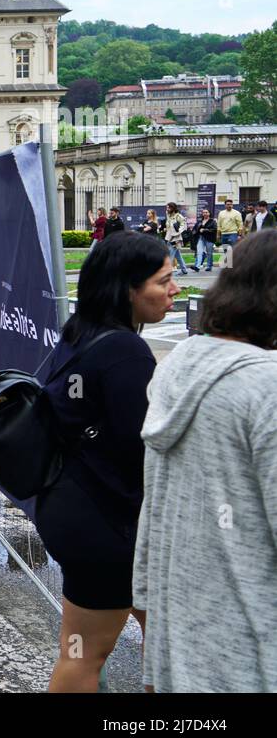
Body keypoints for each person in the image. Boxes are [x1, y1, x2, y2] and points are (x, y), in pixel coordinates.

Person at [36, 231, 177, 692]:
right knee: (161, 655)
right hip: (115, 527)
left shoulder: (79, 335)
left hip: (74, 512)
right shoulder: (124, 351)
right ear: (127, 288)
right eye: (164, 281)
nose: (175, 290)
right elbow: (145, 450)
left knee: (81, 652)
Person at [136, 230, 277, 691]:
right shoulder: (265, 389)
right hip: (253, 656)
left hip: (185, 646)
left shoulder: (181, 363)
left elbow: (153, 509)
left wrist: (149, 616)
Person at [162, 203, 189, 277]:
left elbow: (184, 225)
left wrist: (178, 232)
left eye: (168, 208)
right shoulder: (169, 216)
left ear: (173, 208)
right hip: (169, 238)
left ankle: (166, 272)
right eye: (166, 208)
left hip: (176, 239)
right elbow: (169, 227)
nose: (167, 209)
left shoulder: (178, 216)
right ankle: (184, 270)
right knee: (178, 256)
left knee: (170, 255)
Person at [189, 207, 218, 272]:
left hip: (209, 239)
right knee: (199, 252)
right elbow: (195, 229)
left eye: (206, 212)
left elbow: (214, 229)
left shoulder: (212, 221)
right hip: (201, 238)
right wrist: (194, 232)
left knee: (209, 253)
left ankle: (209, 266)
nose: (205, 214)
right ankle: (197, 266)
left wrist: (205, 230)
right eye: (203, 212)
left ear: (209, 213)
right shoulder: (200, 222)